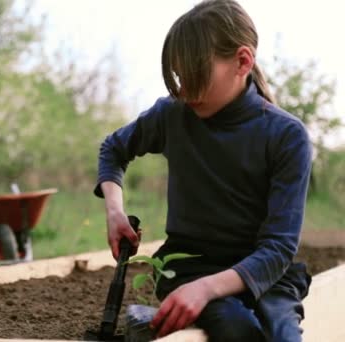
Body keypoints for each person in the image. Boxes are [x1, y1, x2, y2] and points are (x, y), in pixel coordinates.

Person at [94, 0, 313, 341]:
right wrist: (114, 212)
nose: (184, 90)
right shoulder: (172, 115)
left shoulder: (286, 135)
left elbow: (278, 249)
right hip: (191, 267)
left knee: (282, 335)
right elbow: (113, 149)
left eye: (196, 76)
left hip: (266, 273)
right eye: (180, 76)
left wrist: (206, 290)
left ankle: (149, 319)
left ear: (243, 61)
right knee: (238, 330)